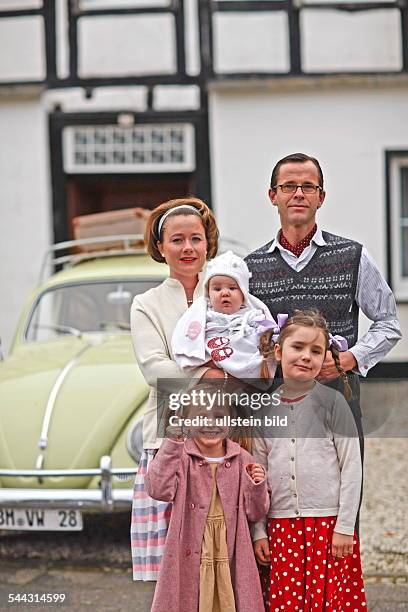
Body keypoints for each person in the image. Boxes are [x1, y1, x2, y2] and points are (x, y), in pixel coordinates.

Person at [245, 152, 402, 469]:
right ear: (273, 196)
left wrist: (350, 359)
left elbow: (388, 322)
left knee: (342, 501)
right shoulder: (251, 268)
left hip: (337, 405)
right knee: (279, 505)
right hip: (273, 413)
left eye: (308, 186)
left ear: (321, 197)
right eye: (289, 186)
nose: (299, 193)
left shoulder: (352, 256)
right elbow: (243, 335)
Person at [130, 197, 221, 581]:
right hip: (169, 436)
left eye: (196, 239)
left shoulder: (227, 293)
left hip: (222, 437)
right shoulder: (146, 304)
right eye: (178, 240)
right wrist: (208, 375)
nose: (188, 248)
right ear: (161, 247)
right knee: (174, 572)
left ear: (207, 244)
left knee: (217, 561)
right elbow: (155, 369)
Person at [252, 310, 367, 610]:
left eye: (315, 351)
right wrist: (258, 531)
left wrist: (345, 527)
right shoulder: (265, 411)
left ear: (324, 359)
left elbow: (352, 468)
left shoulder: (333, 404)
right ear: (278, 351)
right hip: (282, 529)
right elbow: (257, 476)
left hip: (329, 529)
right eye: (298, 347)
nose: (306, 356)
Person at [145, 389, 270, 612]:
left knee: (229, 598)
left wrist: (257, 486)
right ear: (186, 420)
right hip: (194, 547)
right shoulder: (181, 456)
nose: (210, 423)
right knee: (192, 598)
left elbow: (256, 512)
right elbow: (158, 489)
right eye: (201, 416)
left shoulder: (242, 458)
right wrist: (171, 444)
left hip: (229, 549)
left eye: (219, 417)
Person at [172, 250, 278, 383]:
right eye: (217, 289)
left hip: (250, 377)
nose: (225, 293)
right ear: (208, 293)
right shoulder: (203, 317)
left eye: (232, 288)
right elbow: (187, 336)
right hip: (215, 378)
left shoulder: (254, 316)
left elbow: (270, 337)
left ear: (243, 293)